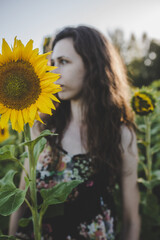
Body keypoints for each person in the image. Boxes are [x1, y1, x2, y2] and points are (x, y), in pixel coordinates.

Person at [9, 25, 140, 240]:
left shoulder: (120, 134)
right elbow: (22, 199)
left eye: (63, 62)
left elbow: (131, 219)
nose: (53, 72)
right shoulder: (42, 126)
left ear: (93, 64)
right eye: (52, 63)